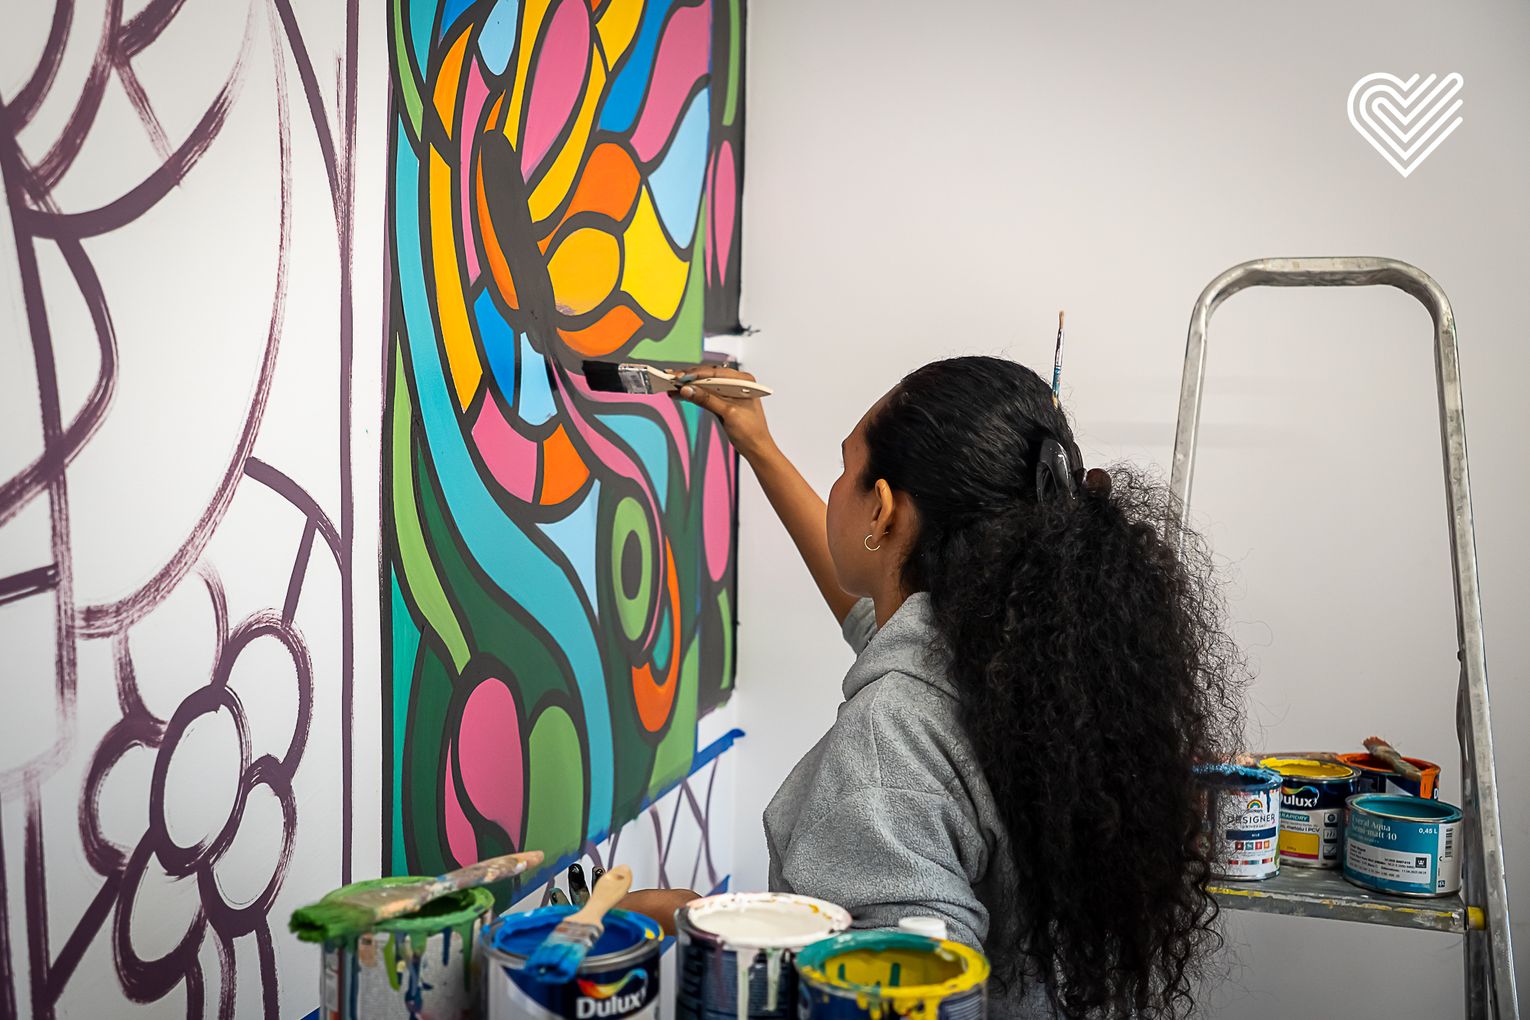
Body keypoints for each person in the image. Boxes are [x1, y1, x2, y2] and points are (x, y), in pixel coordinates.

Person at [622, 356, 1246, 1018]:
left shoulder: (891, 737)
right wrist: (759, 445)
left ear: (883, 511)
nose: (836, 488)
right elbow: (877, 616)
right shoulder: (1022, 666)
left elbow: (903, 995)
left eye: (844, 468)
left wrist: (711, 926)